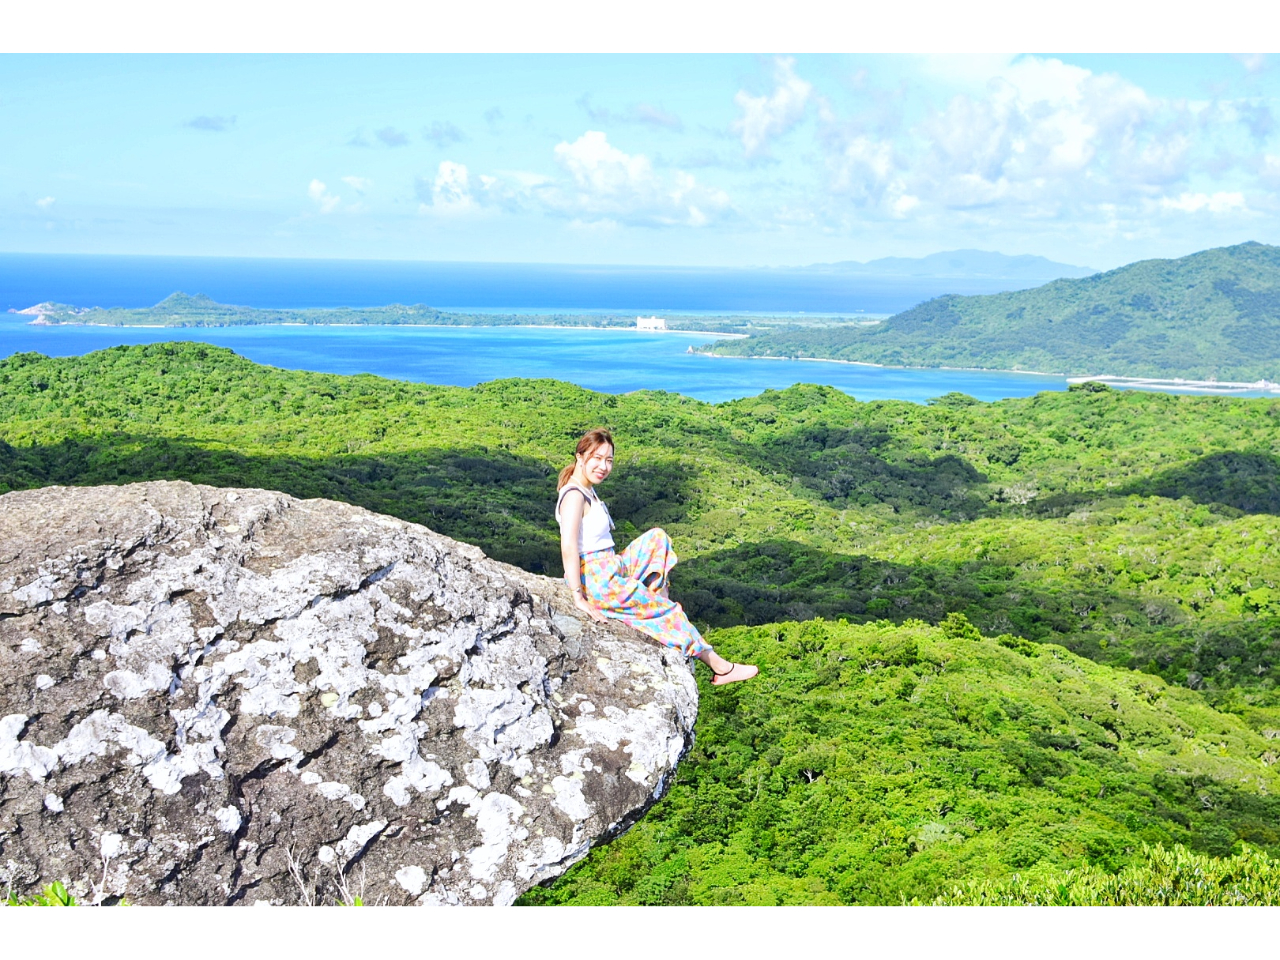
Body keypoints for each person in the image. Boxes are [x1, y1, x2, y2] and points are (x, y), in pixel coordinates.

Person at [555, 427, 758, 686]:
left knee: (657, 538)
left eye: (609, 460)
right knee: (669, 611)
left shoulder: (585, 489)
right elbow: (568, 546)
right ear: (580, 457)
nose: (604, 466)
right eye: (597, 458)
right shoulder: (574, 496)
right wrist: (578, 597)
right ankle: (720, 667)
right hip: (598, 580)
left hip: (609, 564)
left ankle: (653, 598)